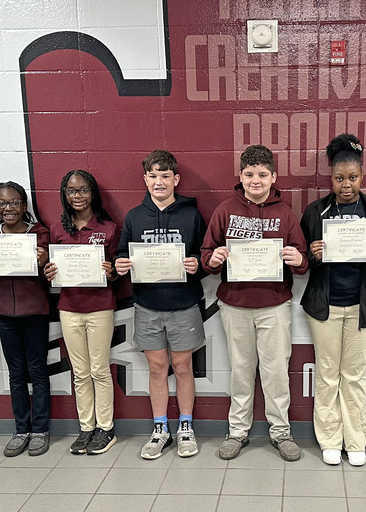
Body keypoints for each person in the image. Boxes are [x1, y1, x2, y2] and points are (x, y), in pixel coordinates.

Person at [201, 144, 310, 462]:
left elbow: (303, 263)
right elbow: (207, 255)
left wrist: (297, 258)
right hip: (235, 304)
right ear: (241, 176)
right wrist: (216, 256)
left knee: (276, 371)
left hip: (274, 305)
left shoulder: (285, 214)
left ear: (273, 177)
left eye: (263, 175)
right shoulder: (224, 210)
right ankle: (237, 431)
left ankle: (281, 432)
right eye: (249, 174)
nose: (256, 180)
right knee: (241, 370)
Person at [299, 134, 366, 467]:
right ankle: (329, 439)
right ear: (331, 178)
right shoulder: (315, 212)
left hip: (362, 306)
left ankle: (355, 440)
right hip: (324, 307)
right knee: (327, 373)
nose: (346, 185)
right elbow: (301, 260)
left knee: (354, 375)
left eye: (352, 178)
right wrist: (311, 255)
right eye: (339, 179)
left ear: (361, 177)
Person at [115, 150, 207, 459]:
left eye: (165, 176)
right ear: (145, 179)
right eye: (153, 176)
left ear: (175, 179)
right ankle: (159, 428)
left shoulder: (191, 215)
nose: (159, 182)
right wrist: (120, 264)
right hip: (147, 305)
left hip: (183, 304)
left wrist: (198, 264)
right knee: (157, 368)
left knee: (182, 367)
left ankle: (185, 426)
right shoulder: (134, 216)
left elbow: (205, 255)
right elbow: (120, 254)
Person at [0, 182, 52, 457]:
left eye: (14, 202)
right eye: (2, 203)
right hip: (4, 313)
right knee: (16, 375)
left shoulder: (39, 234)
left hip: (35, 313)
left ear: (24, 206)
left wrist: (43, 262)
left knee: (38, 372)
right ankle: (21, 430)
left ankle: (40, 429)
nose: (8, 208)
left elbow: (50, 277)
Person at [44, 170, 120, 456]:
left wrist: (111, 273)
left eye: (83, 190)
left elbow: (117, 273)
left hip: (100, 307)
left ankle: (106, 428)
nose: (77, 196)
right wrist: (48, 272)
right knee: (80, 372)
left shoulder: (110, 228)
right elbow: (52, 271)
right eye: (71, 190)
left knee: (99, 370)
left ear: (93, 194)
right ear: (64, 194)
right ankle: (86, 428)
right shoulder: (57, 230)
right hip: (69, 308)